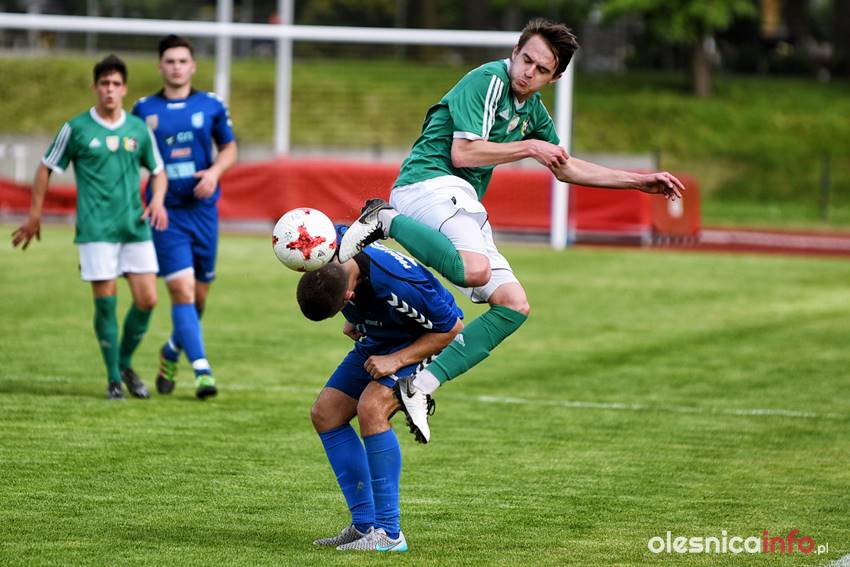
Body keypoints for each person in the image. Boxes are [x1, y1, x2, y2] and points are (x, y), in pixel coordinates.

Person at [339, 18, 686, 439]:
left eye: (541, 69)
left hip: (459, 199)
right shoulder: (489, 80)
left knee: (513, 305)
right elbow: (463, 154)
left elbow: (565, 167)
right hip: (427, 183)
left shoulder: (532, 112)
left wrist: (638, 181)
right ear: (515, 52)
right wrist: (529, 147)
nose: (528, 72)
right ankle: (384, 218)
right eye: (526, 60)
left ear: (555, 78)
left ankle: (420, 384)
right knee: (475, 270)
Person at [11, 54, 168, 400]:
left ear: (124, 89)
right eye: (104, 83)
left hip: (135, 227)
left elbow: (158, 171)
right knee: (106, 303)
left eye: (116, 84)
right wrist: (35, 215)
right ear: (95, 87)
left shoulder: (138, 129)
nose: (110, 90)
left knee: (148, 299)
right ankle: (113, 379)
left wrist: (157, 200)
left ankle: (124, 363)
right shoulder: (76, 128)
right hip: (96, 229)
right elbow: (45, 167)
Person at [299, 231, 463, 551]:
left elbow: (453, 329)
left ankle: (389, 534)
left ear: (348, 296)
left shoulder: (398, 285)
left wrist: (396, 360)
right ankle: (364, 525)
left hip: (424, 341)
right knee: (326, 414)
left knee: (372, 407)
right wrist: (361, 319)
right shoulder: (334, 244)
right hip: (382, 335)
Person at [132, 34, 238, 400]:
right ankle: (203, 371)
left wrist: (214, 173)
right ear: (160, 66)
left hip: (203, 212)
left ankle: (171, 350)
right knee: (181, 290)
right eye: (170, 61)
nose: (176, 67)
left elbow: (229, 148)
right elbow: (132, 158)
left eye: (182, 61)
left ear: (192, 66)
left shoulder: (210, 104)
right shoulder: (143, 110)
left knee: (199, 298)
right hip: (166, 214)